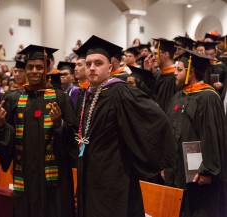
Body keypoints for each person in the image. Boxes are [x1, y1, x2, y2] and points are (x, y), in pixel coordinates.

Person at [73, 35, 174, 217]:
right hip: (89, 176)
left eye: (98, 63)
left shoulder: (120, 92)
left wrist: (135, 153)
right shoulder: (87, 94)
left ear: (110, 67)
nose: (92, 68)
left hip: (114, 177)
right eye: (88, 64)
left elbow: (158, 119)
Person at [0, 44, 77, 217]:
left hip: (54, 175)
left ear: (47, 69)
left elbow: (73, 135)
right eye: (30, 67)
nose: (34, 71)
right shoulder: (14, 98)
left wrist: (59, 124)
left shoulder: (60, 97)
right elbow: (8, 133)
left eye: (39, 67)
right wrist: (1, 124)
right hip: (26, 171)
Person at [167, 49, 227, 217]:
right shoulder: (178, 97)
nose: (175, 73)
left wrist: (207, 170)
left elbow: (211, 136)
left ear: (190, 72)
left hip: (199, 176)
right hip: (178, 172)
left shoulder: (208, 97)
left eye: (179, 69)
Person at [145, 38, 179, 113]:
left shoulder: (174, 77)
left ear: (166, 54)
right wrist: (148, 71)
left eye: (156, 54)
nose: (153, 58)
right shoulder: (159, 74)